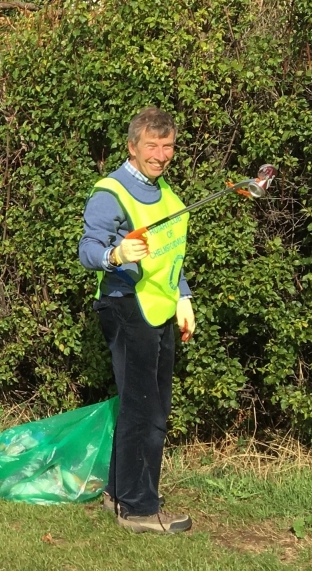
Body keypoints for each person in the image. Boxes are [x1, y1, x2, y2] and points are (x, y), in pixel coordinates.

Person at [78, 107, 196, 534]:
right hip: (125, 305)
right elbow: (87, 250)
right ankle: (139, 508)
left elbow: (170, 257)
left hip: (160, 310)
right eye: (152, 145)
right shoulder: (111, 192)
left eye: (167, 146)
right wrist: (115, 255)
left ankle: (118, 493)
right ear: (132, 146)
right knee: (144, 407)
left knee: (150, 404)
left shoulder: (167, 195)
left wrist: (184, 296)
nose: (161, 155)